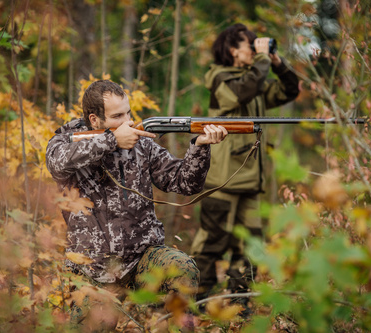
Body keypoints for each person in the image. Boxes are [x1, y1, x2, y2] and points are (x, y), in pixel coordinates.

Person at [46, 80, 228, 300]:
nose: (128, 122)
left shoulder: (142, 144)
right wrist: (111, 140)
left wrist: (199, 147)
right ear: (94, 119)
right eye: (117, 117)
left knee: (183, 269)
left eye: (128, 114)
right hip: (90, 270)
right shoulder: (67, 140)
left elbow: (185, 182)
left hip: (141, 261)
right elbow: (56, 163)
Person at [190, 23, 300, 312]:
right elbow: (241, 92)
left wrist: (278, 62)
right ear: (232, 50)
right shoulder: (220, 78)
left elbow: (291, 90)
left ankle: (240, 304)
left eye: (256, 45)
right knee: (213, 241)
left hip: (250, 180)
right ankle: (196, 298)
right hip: (223, 179)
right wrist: (263, 61)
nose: (255, 49)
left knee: (250, 247)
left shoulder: (257, 78)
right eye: (250, 45)